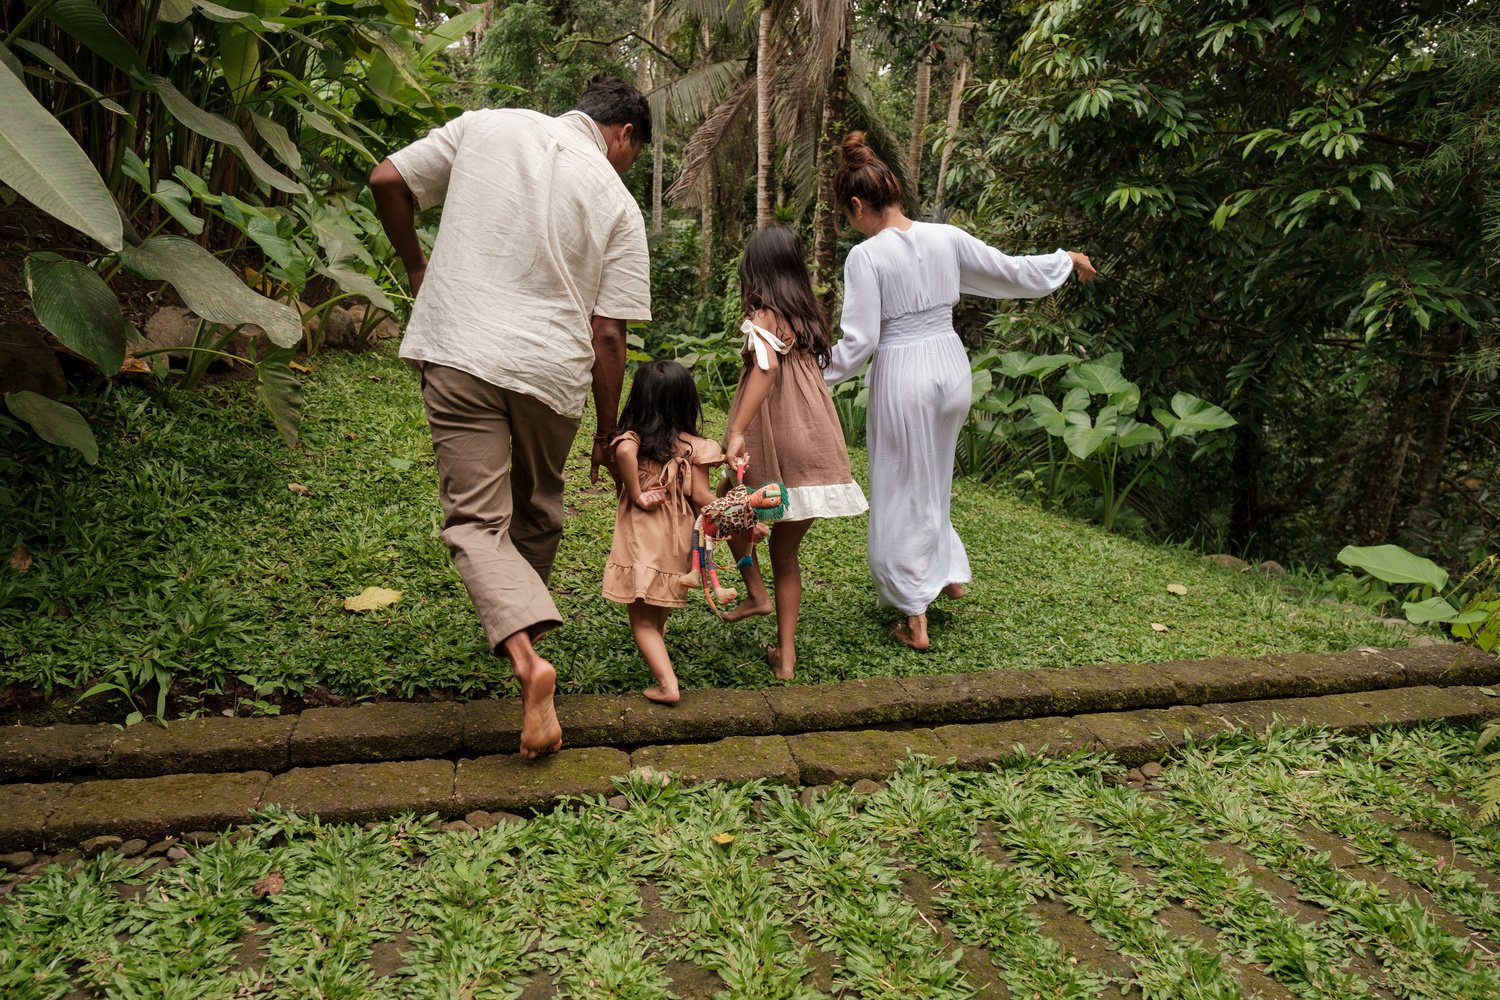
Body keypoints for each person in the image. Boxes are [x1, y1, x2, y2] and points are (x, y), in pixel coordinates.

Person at [368, 78, 653, 758]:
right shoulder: (618, 201)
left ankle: (526, 659)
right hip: (550, 374)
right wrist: (607, 431)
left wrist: (416, 266)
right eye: (632, 155)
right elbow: (608, 335)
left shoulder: (487, 126)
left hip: (461, 347)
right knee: (539, 512)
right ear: (624, 136)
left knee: (475, 522)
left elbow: (386, 180)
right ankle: (523, 642)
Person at [823, 132, 1095, 651]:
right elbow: (1010, 271)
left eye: (847, 213)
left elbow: (859, 343)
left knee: (901, 487)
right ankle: (947, 570)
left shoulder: (866, 257)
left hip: (904, 371)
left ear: (858, 205)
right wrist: (1065, 259)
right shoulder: (945, 236)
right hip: (951, 366)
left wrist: (811, 375)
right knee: (934, 476)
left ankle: (912, 613)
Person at [722, 225, 869, 681]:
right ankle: (785, 658)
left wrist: (737, 431)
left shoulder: (763, 315)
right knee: (786, 554)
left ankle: (755, 594)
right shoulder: (806, 317)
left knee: (722, 509)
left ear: (756, 271)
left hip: (774, 438)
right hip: (816, 442)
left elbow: (764, 370)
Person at [602, 361, 724, 704]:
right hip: (678, 539)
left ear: (639, 400)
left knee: (640, 619)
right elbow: (701, 497)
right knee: (657, 607)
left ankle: (667, 685)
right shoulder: (694, 447)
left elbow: (623, 450)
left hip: (643, 536)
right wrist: (738, 515)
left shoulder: (634, 441)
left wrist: (638, 494)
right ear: (687, 401)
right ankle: (658, 647)